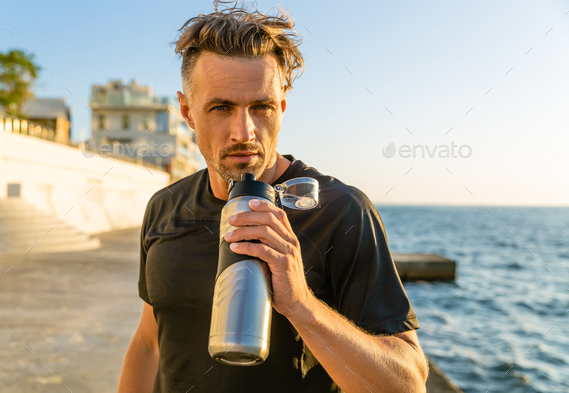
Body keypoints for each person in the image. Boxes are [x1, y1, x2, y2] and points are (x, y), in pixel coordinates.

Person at [117, 1, 429, 392]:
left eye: (261, 106)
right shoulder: (165, 207)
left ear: (281, 106)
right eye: (220, 107)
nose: (244, 132)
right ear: (187, 111)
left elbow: (408, 385)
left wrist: (302, 305)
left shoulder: (341, 212)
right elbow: (149, 344)